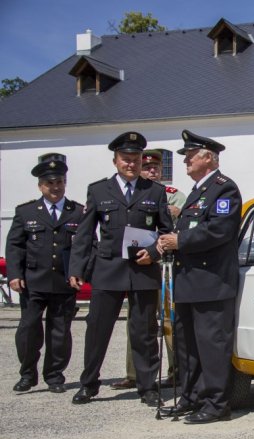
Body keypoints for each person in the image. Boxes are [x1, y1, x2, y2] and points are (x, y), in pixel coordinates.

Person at [68, 131, 173, 406]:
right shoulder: (98, 190)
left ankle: (148, 387)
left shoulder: (155, 191)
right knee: (97, 330)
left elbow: (166, 231)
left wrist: (153, 253)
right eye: (126, 159)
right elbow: (84, 234)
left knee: (145, 332)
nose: (131, 164)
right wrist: (76, 268)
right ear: (115, 161)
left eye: (135, 159)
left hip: (143, 269)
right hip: (108, 268)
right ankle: (89, 384)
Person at [157, 129, 241, 424]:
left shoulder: (223, 189)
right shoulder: (197, 192)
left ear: (208, 158)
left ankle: (217, 404)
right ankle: (192, 397)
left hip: (211, 282)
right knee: (187, 346)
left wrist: (181, 241)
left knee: (211, 346)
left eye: (190, 156)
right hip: (189, 281)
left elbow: (219, 230)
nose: (185, 162)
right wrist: (168, 241)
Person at [4, 158, 84, 393]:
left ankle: (55, 376)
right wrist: (14, 274)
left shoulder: (77, 212)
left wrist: (78, 273)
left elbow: (86, 246)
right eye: (50, 183)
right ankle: (28, 374)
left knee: (59, 332)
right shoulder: (26, 211)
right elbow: (14, 246)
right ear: (41, 186)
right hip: (33, 282)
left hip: (63, 282)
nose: (55, 187)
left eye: (59, 182)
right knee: (28, 331)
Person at [112, 149, 186, 390]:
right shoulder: (127, 194)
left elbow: (187, 225)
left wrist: (178, 213)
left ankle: (176, 371)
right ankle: (135, 374)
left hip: (167, 268)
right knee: (137, 321)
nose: (152, 171)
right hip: (139, 267)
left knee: (170, 319)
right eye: (147, 167)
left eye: (156, 167)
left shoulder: (174, 196)